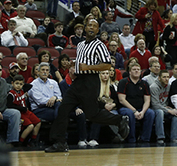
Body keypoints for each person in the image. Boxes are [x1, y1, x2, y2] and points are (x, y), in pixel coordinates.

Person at [44, 19, 129, 152]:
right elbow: (81, 63)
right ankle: (60, 142)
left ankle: (119, 120)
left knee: (92, 114)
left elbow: (107, 64)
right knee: (63, 109)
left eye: (94, 26)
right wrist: (74, 66)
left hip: (91, 81)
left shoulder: (99, 45)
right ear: (85, 28)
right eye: (89, 25)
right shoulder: (81, 45)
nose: (91, 28)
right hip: (78, 81)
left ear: (97, 31)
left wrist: (85, 67)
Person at [117, 62, 155, 144]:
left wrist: (142, 111)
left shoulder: (144, 84)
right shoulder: (123, 82)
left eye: (138, 70)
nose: (136, 71)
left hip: (141, 108)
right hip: (126, 108)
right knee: (129, 114)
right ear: (130, 72)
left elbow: (147, 100)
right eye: (134, 70)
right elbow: (121, 100)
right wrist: (134, 111)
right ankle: (131, 139)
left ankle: (145, 139)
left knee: (150, 113)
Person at [149, 69, 177, 145]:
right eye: (164, 77)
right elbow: (155, 104)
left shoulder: (169, 86)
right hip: (154, 109)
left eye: (168, 77)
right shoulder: (154, 87)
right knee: (160, 112)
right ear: (159, 78)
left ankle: (175, 138)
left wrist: (171, 109)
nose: (166, 79)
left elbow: (169, 100)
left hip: (165, 107)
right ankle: (160, 137)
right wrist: (168, 110)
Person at [6, 75, 41, 146]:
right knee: (30, 126)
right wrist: (21, 108)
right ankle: (20, 142)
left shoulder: (22, 90)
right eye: (17, 83)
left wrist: (23, 85)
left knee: (38, 123)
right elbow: (9, 105)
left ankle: (33, 140)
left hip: (26, 111)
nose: (19, 86)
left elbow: (30, 86)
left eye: (21, 84)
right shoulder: (11, 94)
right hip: (20, 113)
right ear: (12, 83)